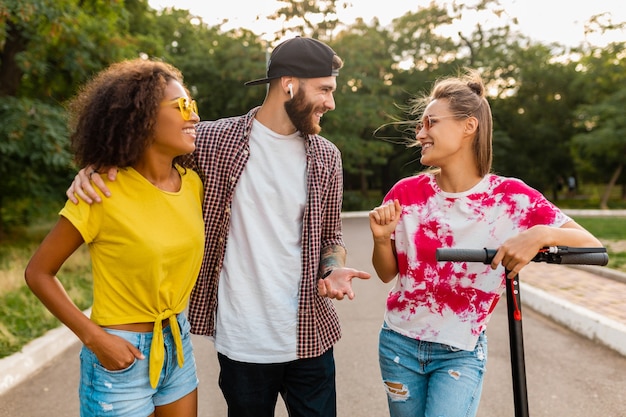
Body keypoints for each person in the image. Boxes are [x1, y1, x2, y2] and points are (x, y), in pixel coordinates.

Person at [66, 36, 371, 417]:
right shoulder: (211, 141)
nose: (331, 102)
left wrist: (332, 267)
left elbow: (332, 236)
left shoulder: (327, 157)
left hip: (311, 337)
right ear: (289, 83)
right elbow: (144, 156)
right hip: (242, 342)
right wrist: (95, 167)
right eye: (325, 89)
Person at [368, 69, 602, 417]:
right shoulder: (406, 194)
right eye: (420, 125)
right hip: (399, 343)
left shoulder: (511, 198)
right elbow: (387, 274)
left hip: (460, 351)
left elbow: (592, 245)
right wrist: (381, 240)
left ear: (468, 126)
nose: (420, 133)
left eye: (430, 122)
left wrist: (539, 234)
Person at [26, 58, 204, 417]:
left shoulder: (192, 185)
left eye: (194, 105)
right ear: (142, 117)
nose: (195, 116)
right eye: (183, 105)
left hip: (177, 344)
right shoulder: (100, 192)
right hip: (117, 357)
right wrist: (95, 338)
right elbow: (38, 273)